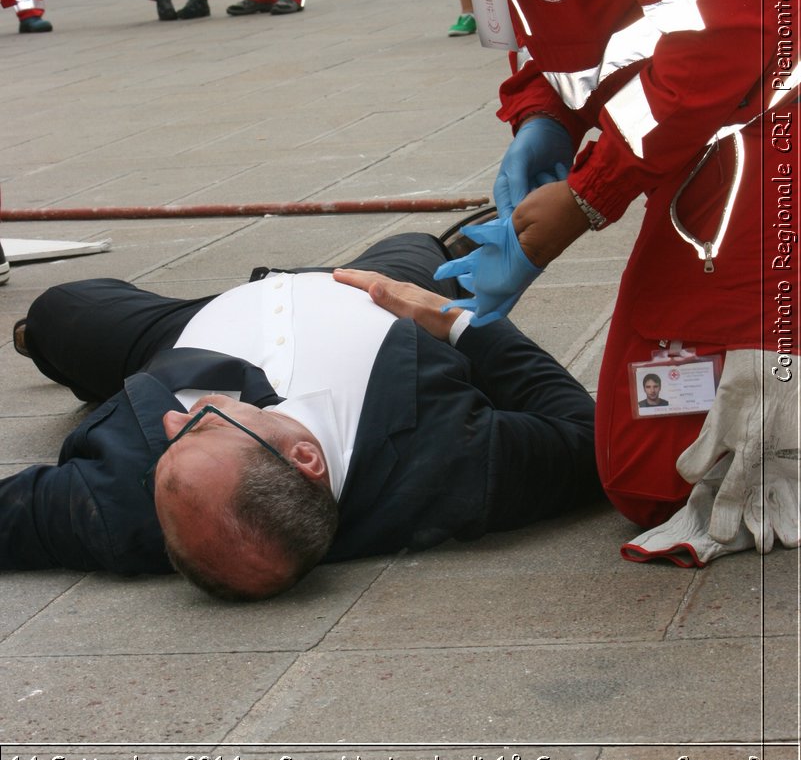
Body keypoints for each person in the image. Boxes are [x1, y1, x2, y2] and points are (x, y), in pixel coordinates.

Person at [217, 0, 799, 565]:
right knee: (666, 453)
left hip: (773, 95)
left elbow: (738, 26)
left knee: (670, 464)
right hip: (734, 107)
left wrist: (583, 198)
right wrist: (543, 120)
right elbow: (567, 8)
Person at [3, 231, 599, 599]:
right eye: (204, 426)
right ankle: (452, 254)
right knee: (416, 244)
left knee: (62, 308)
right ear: (305, 458)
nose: (169, 423)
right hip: (375, 293)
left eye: (175, 441)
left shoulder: (117, 505)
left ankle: (39, 338)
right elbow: (587, 435)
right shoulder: (458, 463)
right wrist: (456, 321)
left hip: (189, 332)